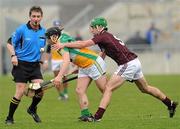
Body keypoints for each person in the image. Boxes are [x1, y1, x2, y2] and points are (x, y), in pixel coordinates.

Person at [52, 17, 178, 121]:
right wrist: (96, 63)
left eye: (92, 27)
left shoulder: (102, 36)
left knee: (108, 88)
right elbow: (103, 53)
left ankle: (97, 117)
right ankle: (170, 104)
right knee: (145, 88)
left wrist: (63, 44)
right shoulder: (106, 37)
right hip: (135, 62)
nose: (91, 30)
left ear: (99, 27)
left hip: (127, 64)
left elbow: (82, 44)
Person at [45, 26, 107, 122]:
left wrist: (59, 76)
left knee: (106, 91)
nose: (46, 40)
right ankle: (86, 115)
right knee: (79, 90)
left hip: (93, 63)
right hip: (83, 66)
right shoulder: (62, 37)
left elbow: (65, 61)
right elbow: (75, 54)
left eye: (47, 38)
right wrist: (76, 68)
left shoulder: (61, 45)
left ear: (53, 37)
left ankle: (99, 114)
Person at [5, 6, 46, 125]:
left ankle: (32, 108)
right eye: (34, 16)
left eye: (38, 16)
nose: (36, 18)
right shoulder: (21, 30)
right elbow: (9, 43)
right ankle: (9, 118)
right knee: (20, 91)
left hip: (34, 66)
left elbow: (42, 47)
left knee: (40, 90)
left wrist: (41, 59)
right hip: (21, 64)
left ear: (41, 17)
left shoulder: (43, 31)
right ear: (30, 17)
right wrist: (13, 56)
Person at [43, 20, 72, 100]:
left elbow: (70, 48)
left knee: (65, 77)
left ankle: (65, 93)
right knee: (56, 78)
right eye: (56, 26)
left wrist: (73, 60)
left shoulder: (65, 37)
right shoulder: (51, 38)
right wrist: (45, 62)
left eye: (59, 26)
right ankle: (61, 94)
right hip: (55, 60)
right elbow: (48, 52)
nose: (58, 27)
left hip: (64, 59)